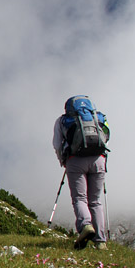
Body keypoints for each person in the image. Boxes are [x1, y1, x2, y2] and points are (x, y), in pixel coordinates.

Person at [53, 95, 110, 249]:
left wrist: (63, 160)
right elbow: (107, 135)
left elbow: (57, 144)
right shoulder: (98, 116)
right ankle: (100, 242)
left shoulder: (62, 120)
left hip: (75, 160)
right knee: (96, 201)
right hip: (98, 159)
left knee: (80, 198)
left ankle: (85, 225)